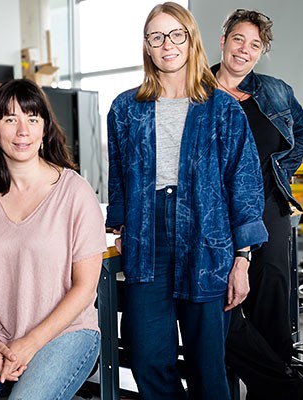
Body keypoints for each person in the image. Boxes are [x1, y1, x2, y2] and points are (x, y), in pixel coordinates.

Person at [105, 3, 269, 399]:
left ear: (191, 39)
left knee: (207, 365)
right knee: (146, 357)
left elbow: (244, 185)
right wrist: (121, 224)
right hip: (148, 240)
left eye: (176, 34)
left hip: (206, 238)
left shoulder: (223, 108)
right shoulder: (126, 108)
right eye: (156, 36)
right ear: (147, 46)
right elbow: (118, 176)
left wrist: (242, 259)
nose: (167, 44)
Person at [0, 78, 107, 399]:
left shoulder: (75, 192)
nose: (22, 131)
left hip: (65, 333)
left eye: (32, 119)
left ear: (44, 129)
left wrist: (29, 344)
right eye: (10, 119)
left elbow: (85, 287)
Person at [211, 9, 303, 400]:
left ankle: (271, 392)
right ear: (223, 40)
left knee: (270, 297)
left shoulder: (274, 90)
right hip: (216, 210)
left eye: (255, 45)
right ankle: (262, 387)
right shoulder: (195, 91)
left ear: (261, 53)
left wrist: (281, 169)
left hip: (268, 204)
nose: (245, 50)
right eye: (239, 39)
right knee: (220, 303)